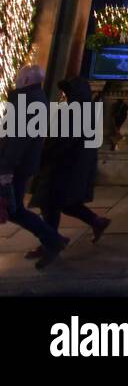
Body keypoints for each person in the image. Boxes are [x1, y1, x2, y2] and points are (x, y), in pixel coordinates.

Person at [29, 75, 111, 255]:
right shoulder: (84, 111)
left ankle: (51, 242)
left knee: (50, 204)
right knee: (64, 203)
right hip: (71, 167)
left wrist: (41, 157)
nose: (64, 95)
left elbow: (59, 142)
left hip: (61, 167)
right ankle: (96, 221)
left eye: (67, 92)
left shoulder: (73, 112)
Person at [0, 65, 67, 269]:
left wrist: (5, 169)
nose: (16, 80)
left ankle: (53, 240)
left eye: (19, 77)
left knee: (13, 209)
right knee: (14, 209)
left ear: (28, 80)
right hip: (20, 164)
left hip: (14, 167)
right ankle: (53, 239)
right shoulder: (33, 99)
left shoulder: (27, 101)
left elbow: (18, 140)